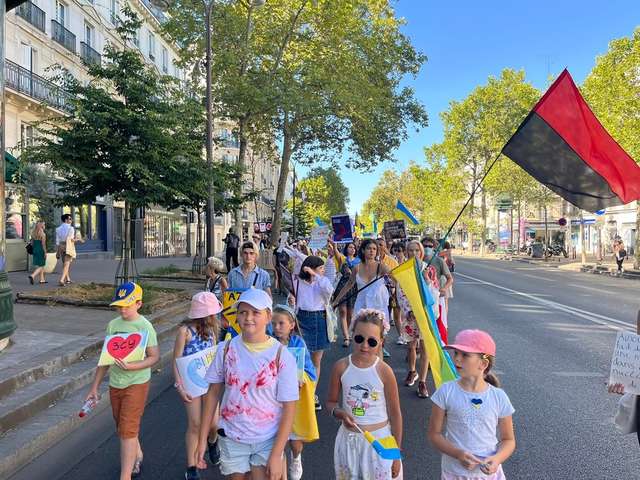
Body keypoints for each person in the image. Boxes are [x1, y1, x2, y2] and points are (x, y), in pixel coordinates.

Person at [197, 288, 298, 480]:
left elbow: (289, 407)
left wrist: (277, 454)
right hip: (232, 436)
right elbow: (212, 394)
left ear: (268, 317)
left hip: (267, 438)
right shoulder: (225, 349)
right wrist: (202, 440)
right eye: (243, 312)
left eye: (255, 312)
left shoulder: (281, 356)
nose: (248, 317)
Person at [85, 283, 160, 480]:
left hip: (137, 382)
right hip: (116, 383)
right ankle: (137, 454)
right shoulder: (113, 325)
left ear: (139, 304)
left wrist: (132, 366)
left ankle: (125, 475)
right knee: (123, 426)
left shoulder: (145, 326)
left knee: (127, 430)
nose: (122, 310)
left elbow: (154, 357)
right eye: (119, 306)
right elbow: (105, 358)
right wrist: (94, 387)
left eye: (127, 305)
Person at [428, 329, 516, 479]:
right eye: (456, 353)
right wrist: (458, 454)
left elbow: (508, 440)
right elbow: (434, 434)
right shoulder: (445, 391)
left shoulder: (499, 397)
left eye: (465, 355)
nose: (457, 359)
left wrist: (497, 459)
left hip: (488, 475)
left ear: (483, 364)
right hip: (454, 472)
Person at [326, 309, 403, 480]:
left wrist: (396, 454)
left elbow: (395, 414)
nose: (365, 345)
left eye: (372, 341)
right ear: (352, 335)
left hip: (380, 443)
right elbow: (331, 402)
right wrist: (339, 412)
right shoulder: (341, 367)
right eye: (359, 339)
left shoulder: (384, 371)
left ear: (381, 342)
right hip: (349, 442)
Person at [173, 292, 223, 480]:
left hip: (209, 382)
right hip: (190, 382)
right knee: (194, 424)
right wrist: (179, 386)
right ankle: (191, 466)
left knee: (214, 423)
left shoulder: (212, 330)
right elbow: (176, 360)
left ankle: (212, 441)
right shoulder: (184, 332)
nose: (214, 316)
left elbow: (213, 355)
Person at [271, 305, 319, 480]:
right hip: (273, 398)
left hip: (295, 398)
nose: (276, 327)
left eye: (281, 323)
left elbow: (310, 371)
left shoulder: (298, 343)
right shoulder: (268, 342)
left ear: (291, 325)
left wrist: (302, 378)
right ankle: (281, 469)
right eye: (273, 323)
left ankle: (296, 458)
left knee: (295, 439)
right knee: (277, 438)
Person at [289, 255, 333, 410]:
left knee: (316, 360)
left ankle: (312, 392)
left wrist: (316, 275)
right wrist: (291, 300)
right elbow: (293, 299)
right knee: (300, 357)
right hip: (301, 318)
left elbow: (329, 291)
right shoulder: (297, 281)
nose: (323, 271)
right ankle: (298, 391)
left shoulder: (322, 282)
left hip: (319, 318)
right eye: (320, 268)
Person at [333, 239, 392, 335]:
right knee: (361, 332)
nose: (372, 251)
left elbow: (396, 279)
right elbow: (349, 284)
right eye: (369, 248)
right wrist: (336, 301)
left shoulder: (381, 266)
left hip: (378, 304)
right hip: (361, 304)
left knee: (377, 333)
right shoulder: (357, 267)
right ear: (363, 250)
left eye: (374, 249)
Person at [397, 240, 432, 398]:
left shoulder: (427, 269)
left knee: (425, 348)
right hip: (411, 314)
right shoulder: (403, 270)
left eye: (417, 250)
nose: (414, 253)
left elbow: (433, 293)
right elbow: (400, 292)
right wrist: (409, 310)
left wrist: (427, 280)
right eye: (411, 250)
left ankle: (422, 382)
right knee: (411, 345)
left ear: (421, 252)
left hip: (424, 315)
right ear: (407, 252)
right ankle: (412, 371)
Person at [330, 240, 360, 348]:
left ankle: (349, 331)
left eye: (354, 247)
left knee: (350, 314)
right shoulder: (342, 259)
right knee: (342, 312)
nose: (352, 249)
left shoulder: (359, 261)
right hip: (342, 287)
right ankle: (346, 337)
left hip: (354, 288)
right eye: (350, 247)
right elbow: (336, 251)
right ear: (346, 249)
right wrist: (334, 244)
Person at [422, 236, 453, 342]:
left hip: (435, 296)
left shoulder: (439, 261)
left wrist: (444, 289)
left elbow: (450, 278)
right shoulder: (417, 261)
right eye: (425, 245)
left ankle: (438, 344)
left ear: (434, 247)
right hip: (421, 294)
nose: (427, 248)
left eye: (430, 246)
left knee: (437, 322)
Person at [56, 213, 83, 286]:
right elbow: (71, 240)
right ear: (66, 220)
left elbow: (57, 241)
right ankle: (61, 280)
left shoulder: (58, 229)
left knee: (64, 263)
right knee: (67, 264)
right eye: (70, 219)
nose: (71, 220)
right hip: (68, 246)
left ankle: (68, 279)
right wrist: (78, 239)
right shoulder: (71, 228)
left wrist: (57, 251)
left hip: (61, 246)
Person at [390, 242, 407, 345]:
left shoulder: (407, 263)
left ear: (404, 251)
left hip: (405, 291)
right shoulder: (392, 262)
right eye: (395, 250)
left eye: (399, 251)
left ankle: (407, 335)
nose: (397, 253)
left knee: (405, 315)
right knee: (396, 314)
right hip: (394, 291)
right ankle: (401, 335)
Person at [29, 221, 48, 285]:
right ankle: (32, 275)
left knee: (40, 264)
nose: (45, 226)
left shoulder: (33, 233)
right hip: (40, 250)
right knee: (42, 265)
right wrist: (45, 252)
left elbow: (32, 243)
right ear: (42, 226)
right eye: (44, 224)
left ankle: (42, 279)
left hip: (35, 249)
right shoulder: (43, 234)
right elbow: (43, 244)